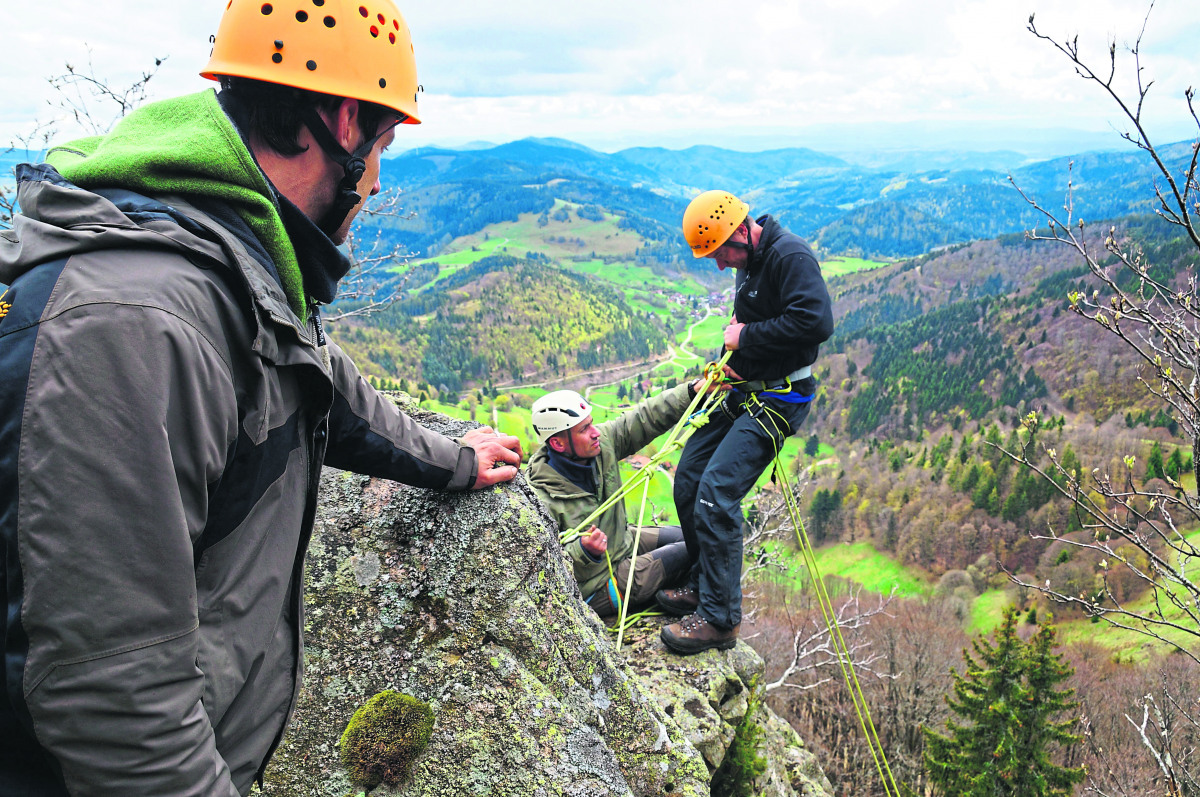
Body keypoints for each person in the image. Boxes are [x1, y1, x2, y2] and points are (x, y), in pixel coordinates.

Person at [0, 2, 522, 794]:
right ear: (343, 123)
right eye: (381, 147)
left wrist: (454, 460)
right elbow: (114, 698)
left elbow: (314, 381)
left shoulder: (227, 252)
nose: (378, 183)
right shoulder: (131, 325)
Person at [658, 190, 833, 655]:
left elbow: (815, 322)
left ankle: (719, 618)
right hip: (745, 387)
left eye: (721, 255)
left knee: (716, 494)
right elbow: (746, 327)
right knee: (689, 479)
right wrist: (726, 364)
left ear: (740, 232)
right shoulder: (750, 263)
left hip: (781, 396)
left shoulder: (787, 255)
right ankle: (701, 584)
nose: (719, 266)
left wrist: (745, 336)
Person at [527, 384, 711, 617]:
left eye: (592, 423)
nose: (595, 432)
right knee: (688, 552)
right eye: (584, 429)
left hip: (621, 543)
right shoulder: (539, 500)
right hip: (599, 584)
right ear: (558, 444)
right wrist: (584, 551)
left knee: (695, 537)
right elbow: (546, 570)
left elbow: (645, 418)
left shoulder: (601, 446)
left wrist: (695, 391)